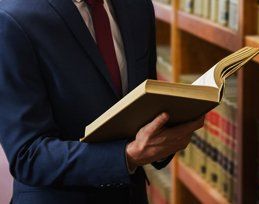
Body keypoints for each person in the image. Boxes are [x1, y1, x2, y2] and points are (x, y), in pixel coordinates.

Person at [0, 0, 203, 203]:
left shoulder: (138, 6)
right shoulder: (12, 18)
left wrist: (166, 135)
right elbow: (27, 155)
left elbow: (146, 102)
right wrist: (127, 156)